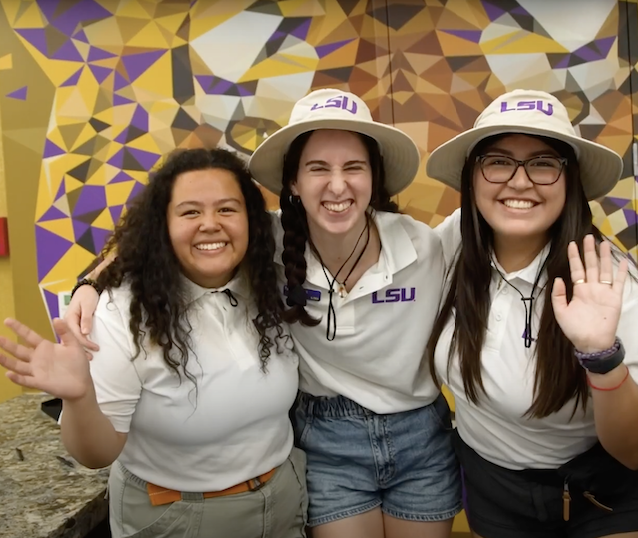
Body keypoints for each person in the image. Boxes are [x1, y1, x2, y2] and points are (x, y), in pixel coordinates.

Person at [65, 89, 463, 538]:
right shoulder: (267, 239)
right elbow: (171, 235)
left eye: (354, 167)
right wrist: (90, 283)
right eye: (317, 169)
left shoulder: (424, 245)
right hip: (326, 435)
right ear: (292, 182)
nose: (337, 185)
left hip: (420, 435)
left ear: (375, 178)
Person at [0, 148, 308, 538]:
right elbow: (97, 454)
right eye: (190, 212)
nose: (210, 224)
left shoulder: (269, 278)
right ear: (162, 225)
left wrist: (89, 279)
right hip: (180, 518)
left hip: (284, 501)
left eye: (227, 209)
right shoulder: (121, 312)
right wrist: (79, 397)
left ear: (252, 220)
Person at [425, 89, 638, 538]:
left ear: (571, 182)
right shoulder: (448, 248)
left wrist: (600, 355)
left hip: (616, 492)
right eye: (498, 161)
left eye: (544, 163)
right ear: (472, 179)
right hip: (496, 491)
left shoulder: (613, 286)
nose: (520, 181)